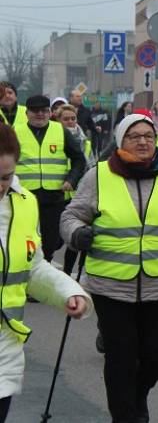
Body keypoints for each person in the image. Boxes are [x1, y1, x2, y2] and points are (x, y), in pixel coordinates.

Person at [60, 113, 158, 423]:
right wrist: (78, 233)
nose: (143, 141)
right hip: (110, 285)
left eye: (149, 135)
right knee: (120, 359)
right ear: (121, 141)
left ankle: (136, 396)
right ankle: (127, 416)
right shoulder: (99, 176)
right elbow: (71, 217)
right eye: (135, 136)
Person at [0, 123, 90, 422]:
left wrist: (68, 292)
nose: (1, 185)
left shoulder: (24, 204)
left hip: (4, 351)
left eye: (5, 176)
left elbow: (32, 266)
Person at [14, 95, 87, 264]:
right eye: (35, 111)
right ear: (27, 113)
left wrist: (71, 179)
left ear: (50, 113)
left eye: (44, 111)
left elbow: (79, 159)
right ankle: (25, 271)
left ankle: (45, 265)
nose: (40, 114)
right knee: (24, 239)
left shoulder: (60, 131)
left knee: (50, 242)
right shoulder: (16, 132)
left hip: (53, 197)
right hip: (24, 196)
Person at [55, 104, 92, 274]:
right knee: (55, 240)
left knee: (74, 236)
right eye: (66, 119)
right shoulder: (54, 138)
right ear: (58, 120)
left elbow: (90, 165)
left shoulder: (86, 141)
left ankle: (68, 274)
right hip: (58, 194)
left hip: (79, 196)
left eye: (73, 118)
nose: (70, 122)